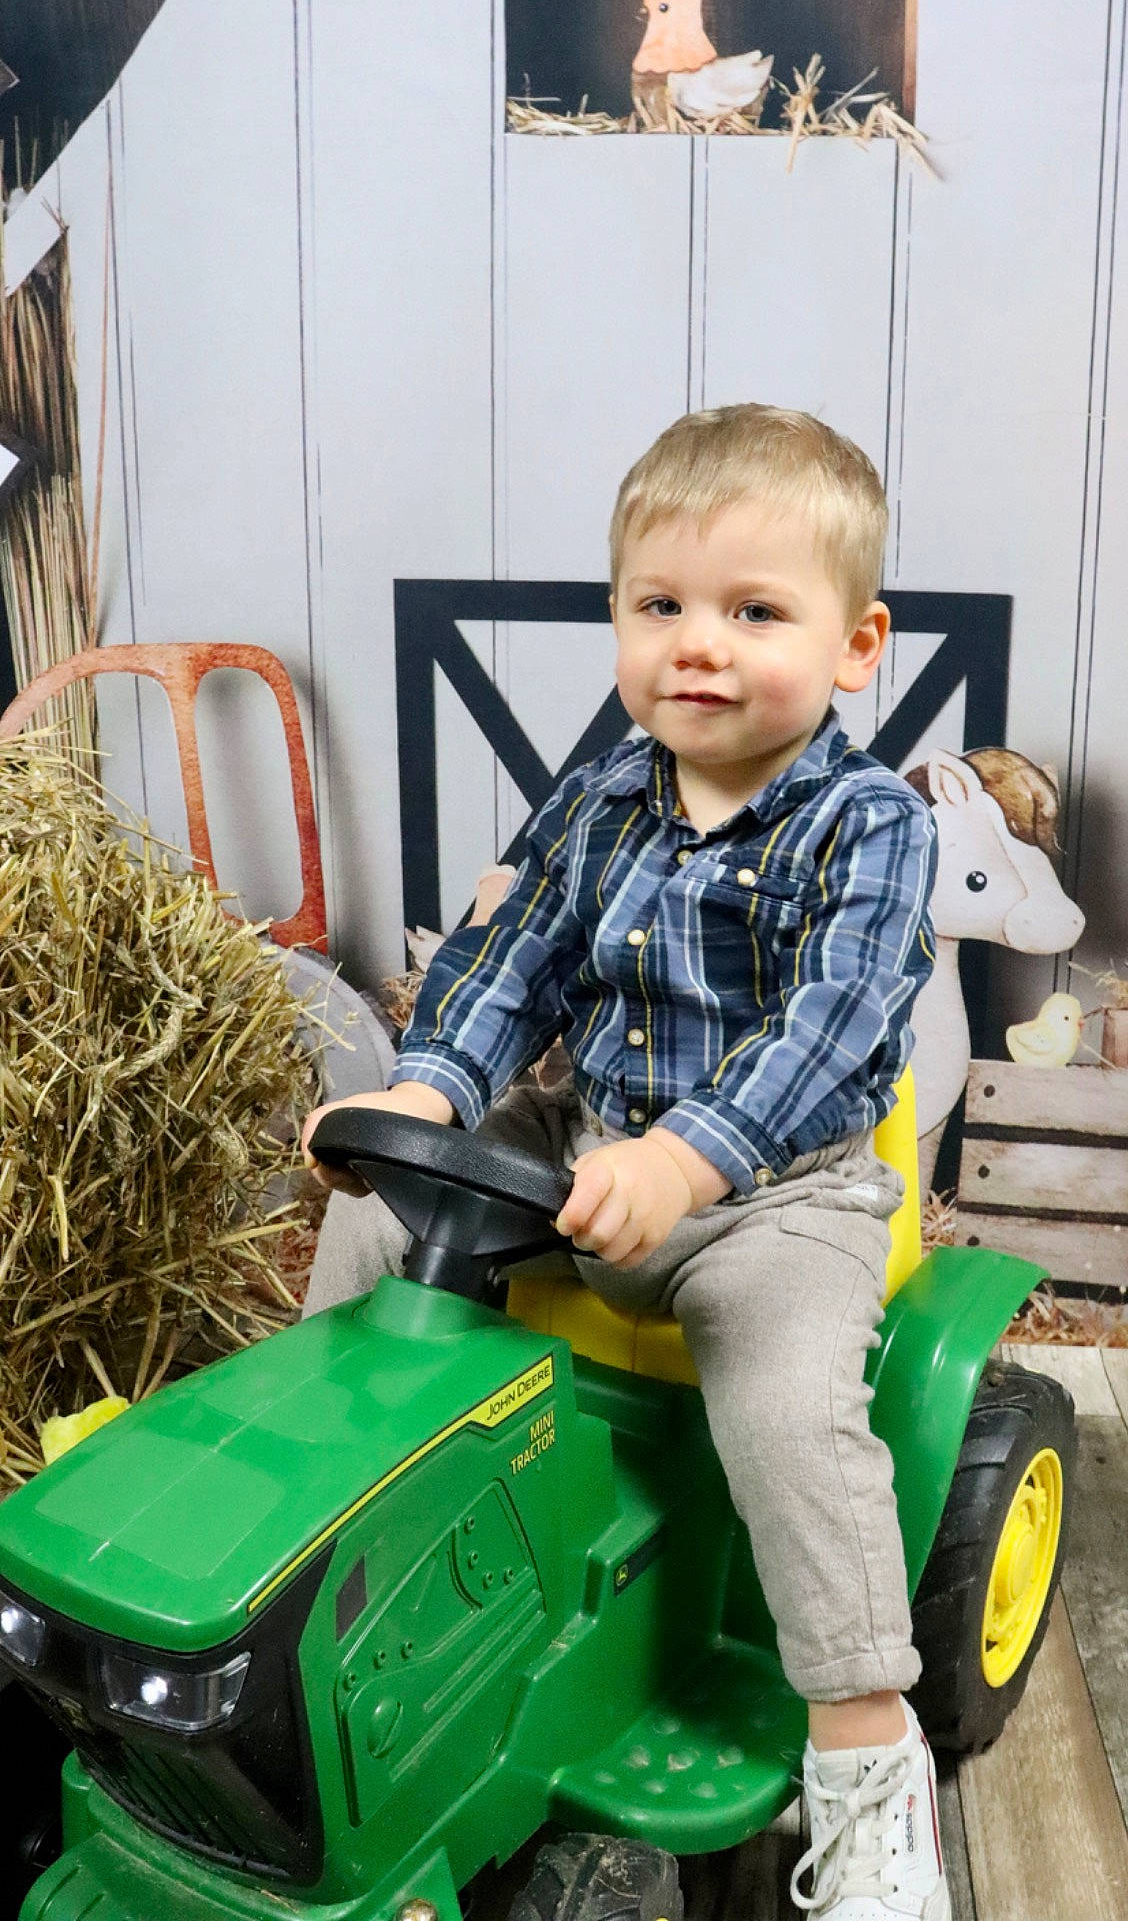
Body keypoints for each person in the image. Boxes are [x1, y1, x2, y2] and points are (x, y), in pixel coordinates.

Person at [301, 403, 946, 1921]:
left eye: (754, 612)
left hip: (781, 1192)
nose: (697, 646)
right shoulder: (596, 804)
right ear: (618, 621)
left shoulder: (868, 828)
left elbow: (827, 1026)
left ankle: (866, 1758)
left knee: (784, 1405)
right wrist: (428, 1094)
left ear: (855, 646)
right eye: (660, 606)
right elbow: (507, 961)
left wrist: (686, 1160)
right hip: (583, 1143)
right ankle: (323, 1531)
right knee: (372, 1232)